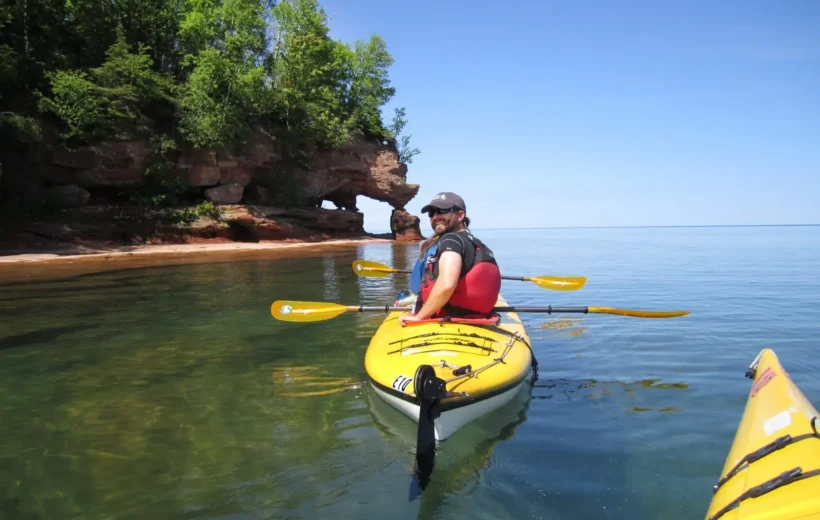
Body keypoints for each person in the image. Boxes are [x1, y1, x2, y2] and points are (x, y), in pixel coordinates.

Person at [399, 192, 501, 325]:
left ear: (460, 215)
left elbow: (447, 284)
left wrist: (419, 317)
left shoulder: (451, 240)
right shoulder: (479, 245)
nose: (435, 217)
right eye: (432, 213)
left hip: (447, 320)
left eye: (442, 211)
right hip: (477, 319)